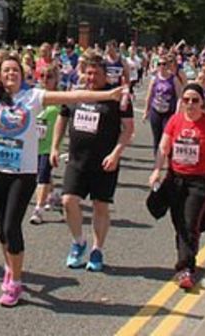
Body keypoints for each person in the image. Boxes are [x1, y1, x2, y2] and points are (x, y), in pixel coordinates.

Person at [0, 5, 122, 307]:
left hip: (23, 173)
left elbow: (73, 96)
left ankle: (15, 282)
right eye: (6, 71)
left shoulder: (34, 96)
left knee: (12, 227)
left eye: (15, 71)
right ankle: (9, 269)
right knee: (2, 229)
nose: (10, 74)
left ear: (23, 74)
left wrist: (107, 95)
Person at [51, 51, 135, 272]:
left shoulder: (117, 96)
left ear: (105, 75)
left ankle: (97, 249)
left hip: (104, 162)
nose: (91, 78)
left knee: (100, 206)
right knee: (68, 201)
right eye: (88, 73)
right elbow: (62, 118)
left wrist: (116, 153)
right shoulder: (76, 94)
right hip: (77, 160)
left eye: (96, 74)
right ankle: (78, 242)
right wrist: (54, 146)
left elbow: (128, 129)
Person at [148, 83, 205, 290]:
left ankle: (186, 267)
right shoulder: (175, 121)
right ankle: (186, 254)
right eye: (186, 100)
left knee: (189, 222)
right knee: (179, 222)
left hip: (200, 181)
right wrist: (157, 170)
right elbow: (164, 146)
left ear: (202, 103)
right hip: (175, 179)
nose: (190, 104)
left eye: (195, 100)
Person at [30, 66, 62, 225]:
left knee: (42, 176)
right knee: (42, 173)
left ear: (56, 79)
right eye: (42, 75)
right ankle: (54, 194)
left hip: (49, 146)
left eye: (49, 76)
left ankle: (38, 210)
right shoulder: (34, 95)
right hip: (33, 144)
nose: (45, 79)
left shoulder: (60, 98)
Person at [142, 55, 180, 157]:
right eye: (159, 64)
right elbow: (149, 95)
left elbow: (179, 97)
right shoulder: (154, 79)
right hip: (156, 110)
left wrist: (178, 112)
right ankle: (157, 159)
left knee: (167, 136)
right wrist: (146, 111)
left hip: (169, 112)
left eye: (164, 64)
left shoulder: (173, 79)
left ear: (168, 65)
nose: (162, 66)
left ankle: (168, 158)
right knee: (156, 137)